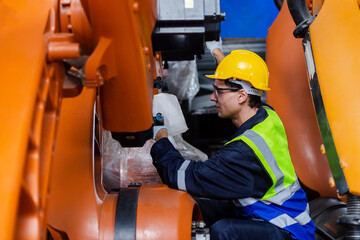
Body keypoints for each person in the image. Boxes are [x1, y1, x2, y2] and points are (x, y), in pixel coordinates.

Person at [151, 49, 316, 240]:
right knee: (195, 204)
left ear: (242, 96)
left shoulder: (242, 153)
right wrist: (226, 68)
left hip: (290, 231)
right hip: (265, 211)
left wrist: (161, 138)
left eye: (218, 91)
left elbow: (183, 176)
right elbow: (250, 89)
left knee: (225, 232)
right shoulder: (268, 116)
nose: (213, 98)